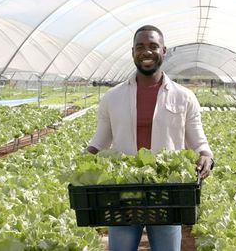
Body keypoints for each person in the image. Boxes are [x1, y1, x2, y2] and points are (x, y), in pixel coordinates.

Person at [87, 25, 214, 251]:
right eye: (140, 47)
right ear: (133, 52)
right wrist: (83, 162)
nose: (147, 52)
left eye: (153, 46)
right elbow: (100, 141)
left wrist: (206, 155)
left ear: (164, 51)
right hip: (124, 192)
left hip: (166, 192)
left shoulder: (184, 97)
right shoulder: (112, 97)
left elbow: (198, 140)